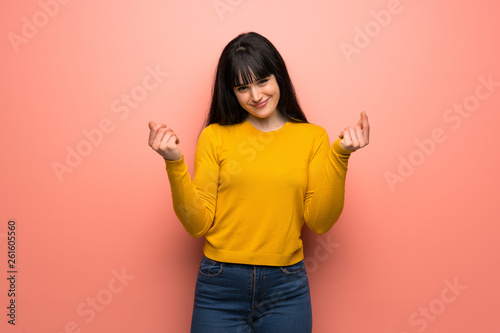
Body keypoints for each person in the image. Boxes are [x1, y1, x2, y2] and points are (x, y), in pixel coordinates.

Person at [148, 32, 369, 333]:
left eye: (262, 81)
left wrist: (341, 155)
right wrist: (173, 162)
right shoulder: (215, 136)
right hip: (220, 284)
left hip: (286, 287)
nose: (255, 96)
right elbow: (197, 224)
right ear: (232, 92)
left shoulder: (312, 138)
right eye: (242, 87)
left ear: (278, 76)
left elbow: (320, 221)